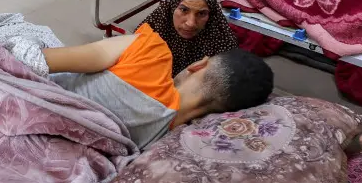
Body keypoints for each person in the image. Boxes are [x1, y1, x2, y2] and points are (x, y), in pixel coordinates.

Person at [43, 31, 273, 149]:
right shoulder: (165, 141)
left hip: (39, 96)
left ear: (198, 65)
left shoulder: (151, 52)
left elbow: (42, 60)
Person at [140, 0, 238, 75]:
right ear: (173, 5)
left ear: (211, 13)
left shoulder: (222, 46)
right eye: (184, 10)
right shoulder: (152, 29)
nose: (190, 23)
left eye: (201, 14)